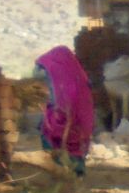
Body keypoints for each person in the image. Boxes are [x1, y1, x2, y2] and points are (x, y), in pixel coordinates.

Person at [36, 45, 95, 177]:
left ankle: (61, 171)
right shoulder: (77, 74)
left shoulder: (54, 71)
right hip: (82, 120)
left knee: (50, 132)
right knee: (74, 143)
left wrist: (55, 112)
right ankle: (75, 172)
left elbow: (57, 97)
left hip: (65, 117)